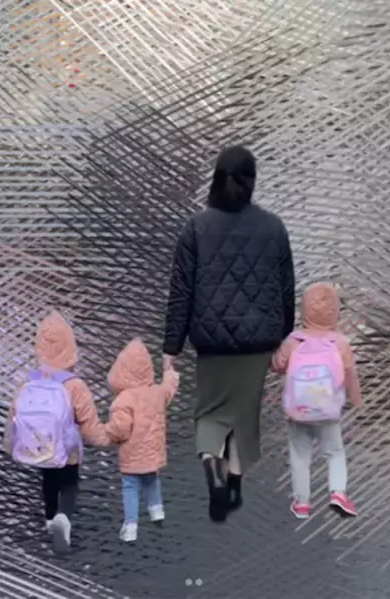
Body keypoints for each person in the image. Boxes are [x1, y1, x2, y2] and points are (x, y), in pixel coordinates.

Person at [162, 145, 295, 523]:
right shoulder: (273, 227)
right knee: (243, 415)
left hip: (211, 343)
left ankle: (213, 474)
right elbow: (286, 289)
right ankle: (234, 485)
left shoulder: (196, 228)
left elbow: (181, 293)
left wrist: (171, 348)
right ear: (252, 181)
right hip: (257, 344)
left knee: (210, 412)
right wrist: (284, 338)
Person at [3, 311, 103, 552]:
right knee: (69, 482)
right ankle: (63, 516)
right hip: (67, 449)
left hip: (39, 446)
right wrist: (100, 439)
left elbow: (14, 413)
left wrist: (8, 441)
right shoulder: (74, 385)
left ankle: (49, 518)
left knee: (48, 477)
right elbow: (88, 423)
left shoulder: (28, 381)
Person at [271, 282, 362, 519]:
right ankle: (338, 493)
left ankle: (302, 503)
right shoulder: (339, 343)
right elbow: (350, 374)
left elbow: (277, 365)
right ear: (335, 312)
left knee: (300, 457)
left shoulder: (294, 341)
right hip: (328, 412)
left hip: (298, 413)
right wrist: (357, 400)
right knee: (334, 453)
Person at [95, 338, 179, 542]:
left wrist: (106, 431)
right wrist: (169, 371)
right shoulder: (156, 393)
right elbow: (169, 389)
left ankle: (131, 525)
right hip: (153, 454)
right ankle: (157, 512)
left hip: (132, 456)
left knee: (130, 487)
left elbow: (120, 429)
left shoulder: (124, 399)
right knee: (151, 480)